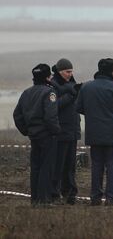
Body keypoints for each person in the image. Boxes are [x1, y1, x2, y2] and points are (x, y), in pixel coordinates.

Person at [75, 58, 113, 206]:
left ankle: (95, 198)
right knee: (112, 166)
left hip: (93, 132)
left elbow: (78, 107)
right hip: (111, 133)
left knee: (96, 165)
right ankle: (111, 198)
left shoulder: (86, 87)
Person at [13, 64, 60, 205]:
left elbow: (17, 115)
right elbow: (50, 117)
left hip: (33, 135)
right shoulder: (49, 93)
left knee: (36, 167)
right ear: (47, 77)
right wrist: (56, 131)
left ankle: (35, 199)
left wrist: (26, 131)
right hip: (47, 135)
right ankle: (44, 200)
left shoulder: (26, 93)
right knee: (47, 167)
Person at [50, 58, 81, 204]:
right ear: (59, 71)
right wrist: (71, 95)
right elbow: (55, 106)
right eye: (67, 72)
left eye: (71, 71)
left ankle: (70, 194)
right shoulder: (52, 86)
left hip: (72, 131)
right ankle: (54, 193)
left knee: (70, 166)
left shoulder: (72, 85)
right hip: (60, 132)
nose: (70, 74)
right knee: (58, 165)